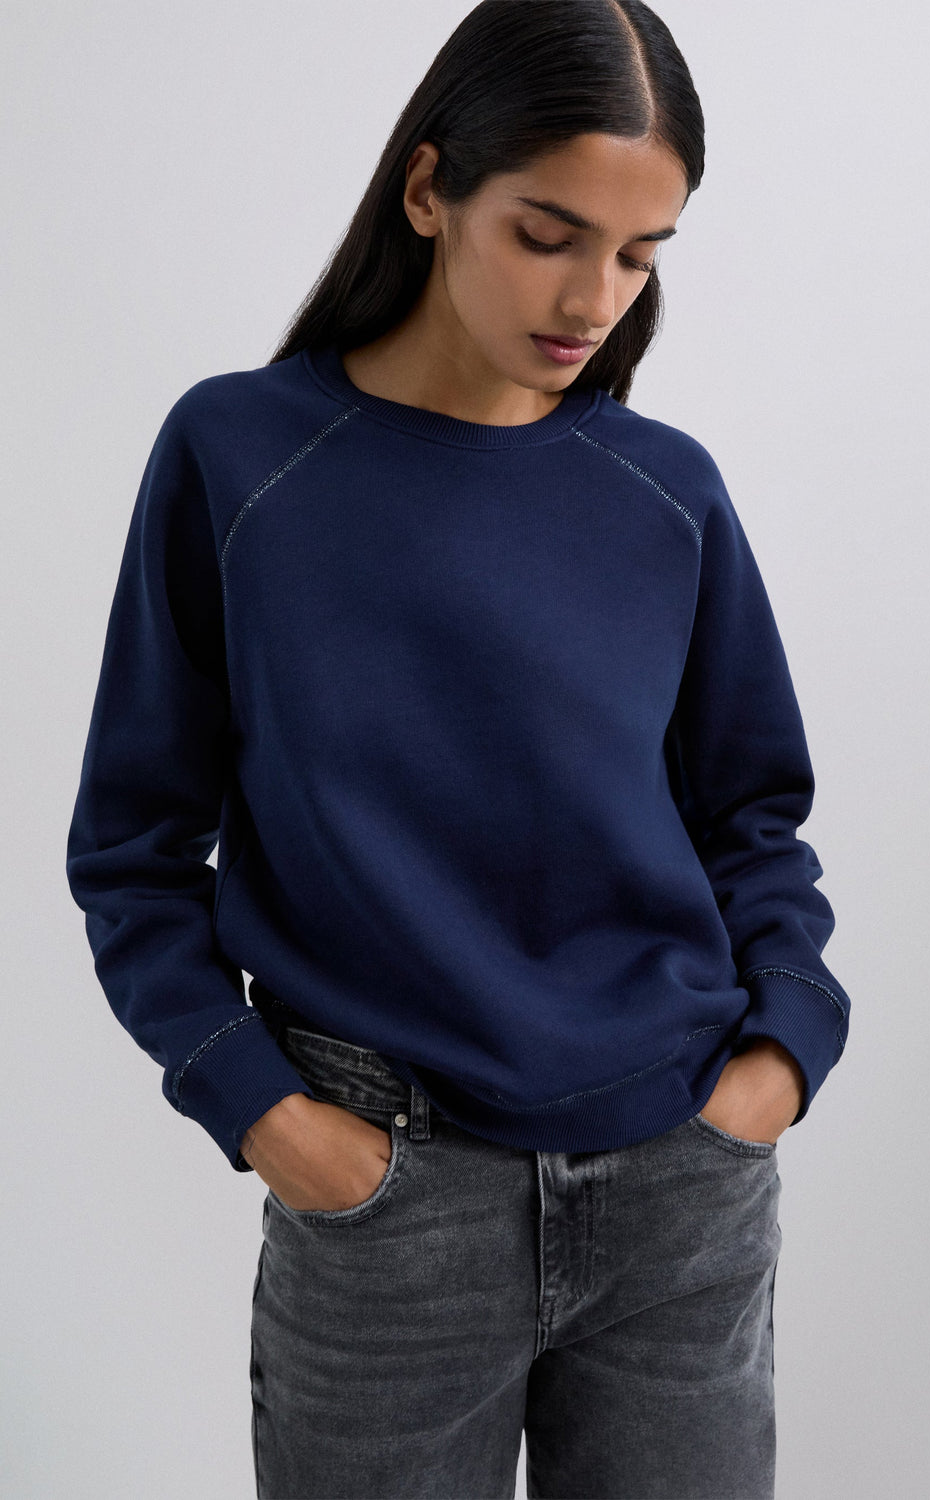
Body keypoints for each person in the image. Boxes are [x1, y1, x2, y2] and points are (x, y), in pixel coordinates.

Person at [65, 2, 851, 1496]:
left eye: (641, 255)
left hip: (683, 1187)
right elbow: (132, 849)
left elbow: (753, 817)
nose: (594, 298)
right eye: (548, 235)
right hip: (384, 1199)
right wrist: (263, 1111)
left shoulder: (665, 490)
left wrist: (781, 1057)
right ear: (429, 189)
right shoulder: (243, 461)